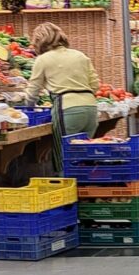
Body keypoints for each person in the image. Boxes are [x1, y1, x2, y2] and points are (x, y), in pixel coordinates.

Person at [26, 23, 100, 173]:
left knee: (65, 157)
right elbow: (95, 85)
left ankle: (67, 192)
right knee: (84, 155)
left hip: (67, 109)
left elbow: (32, 91)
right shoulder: (80, 55)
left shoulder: (43, 59)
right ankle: (85, 190)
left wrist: (28, 108)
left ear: (40, 41)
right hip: (91, 108)